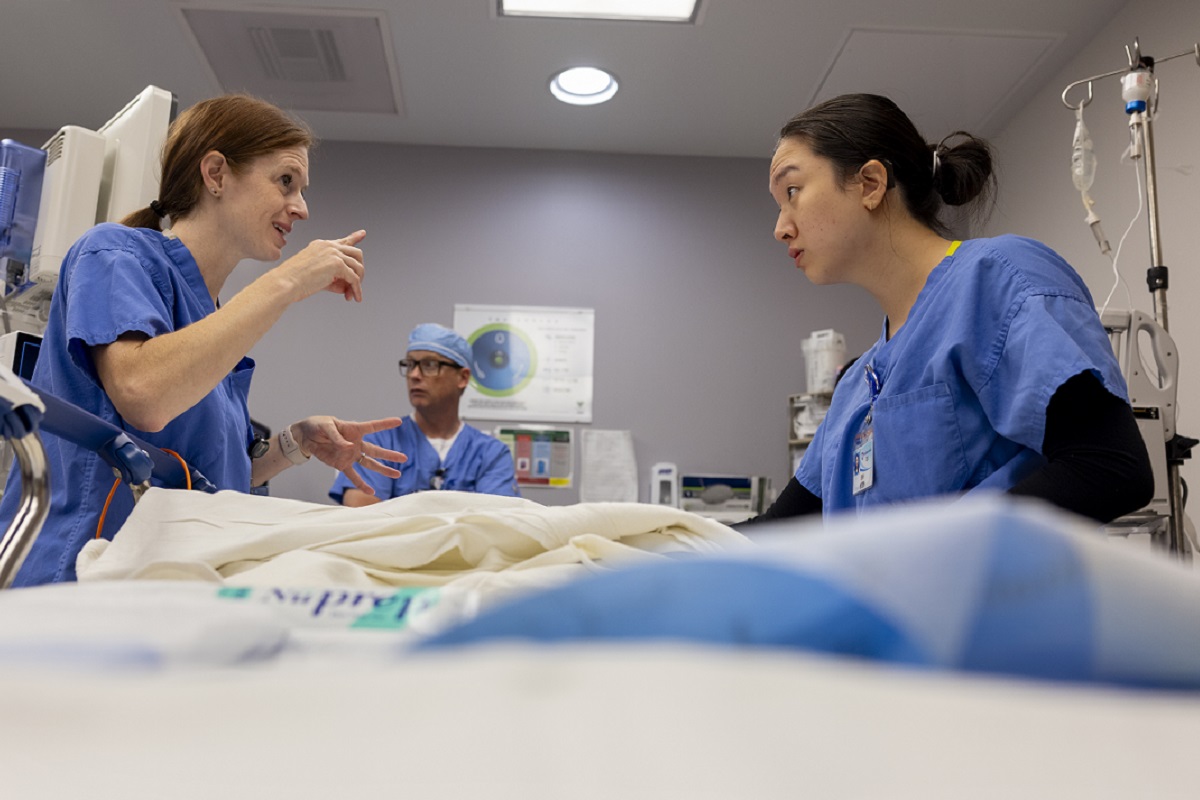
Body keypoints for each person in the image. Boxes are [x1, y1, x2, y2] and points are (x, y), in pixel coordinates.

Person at [0, 93, 407, 586]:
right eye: (285, 181)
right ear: (215, 174)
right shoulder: (112, 253)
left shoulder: (210, 320)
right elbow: (144, 396)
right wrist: (286, 283)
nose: (301, 208)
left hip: (164, 584)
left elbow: (207, 474)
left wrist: (296, 444)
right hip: (79, 575)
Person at [747, 93, 1153, 525]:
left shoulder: (997, 279)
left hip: (986, 592)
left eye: (793, 191)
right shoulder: (857, 386)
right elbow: (777, 531)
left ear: (869, 184)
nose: (780, 228)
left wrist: (929, 558)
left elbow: (1108, 466)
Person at [329, 323, 519, 506]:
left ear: (462, 378)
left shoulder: (491, 454)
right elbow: (362, 514)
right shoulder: (378, 443)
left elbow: (496, 524)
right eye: (410, 364)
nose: (414, 375)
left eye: (429, 365)